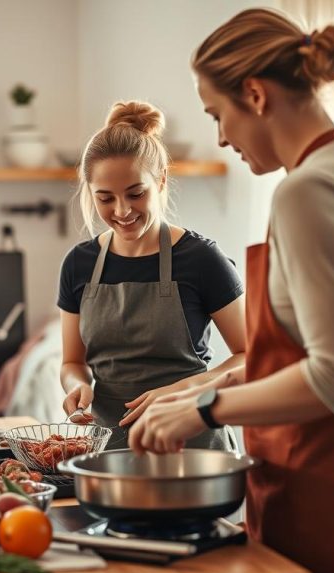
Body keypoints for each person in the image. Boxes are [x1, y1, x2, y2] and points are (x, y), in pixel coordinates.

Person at [127, 9, 334, 573]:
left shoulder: (308, 190)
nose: (221, 135)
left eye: (219, 114)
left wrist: (204, 410)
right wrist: (208, 385)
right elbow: (304, 358)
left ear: (255, 94)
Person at [58, 100, 246, 451]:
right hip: (109, 450)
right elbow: (72, 361)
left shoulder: (201, 258)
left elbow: (250, 356)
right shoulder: (78, 264)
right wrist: (76, 384)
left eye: (135, 194)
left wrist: (183, 390)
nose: (122, 210)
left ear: (160, 181)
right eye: (105, 198)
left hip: (193, 446)